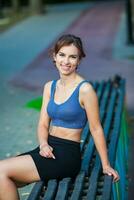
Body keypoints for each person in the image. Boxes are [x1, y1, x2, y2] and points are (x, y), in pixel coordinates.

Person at [0, 34, 119, 200]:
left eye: (73, 57)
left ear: (79, 61)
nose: (66, 61)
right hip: (47, 149)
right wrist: (43, 144)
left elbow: (96, 128)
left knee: (1, 172)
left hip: (65, 156)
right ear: (54, 56)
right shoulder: (50, 87)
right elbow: (42, 123)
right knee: (4, 178)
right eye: (62, 55)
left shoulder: (85, 90)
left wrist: (106, 165)